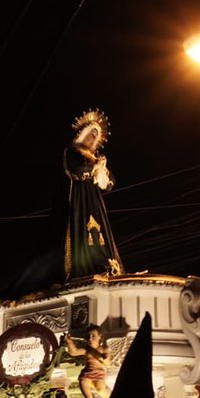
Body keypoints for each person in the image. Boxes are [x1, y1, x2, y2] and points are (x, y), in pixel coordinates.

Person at [63, 109, 124, 280]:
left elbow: (110, 182)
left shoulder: (95, 158)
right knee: (84, 225)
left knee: (99, 228)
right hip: (80, 197)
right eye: (90, 134)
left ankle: (106, 263)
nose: (92, 138)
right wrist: (93, 168)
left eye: (95, 136)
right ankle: (86, 265)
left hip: (94, 198)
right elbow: (75, 169)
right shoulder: (73, 151)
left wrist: (102, 170)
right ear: (83, 134)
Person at [63, 325, 111, 398]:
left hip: (98, 373)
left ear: (100, 337)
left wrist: (105, 358)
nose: (90, 338)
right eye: (88, 336)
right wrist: (69, 342)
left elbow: (108, 364)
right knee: (83, 382)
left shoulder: (103, 349)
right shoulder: (87, 350)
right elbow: (74, 352)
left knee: (100, 389)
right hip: (87, 373)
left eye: (93, 336)